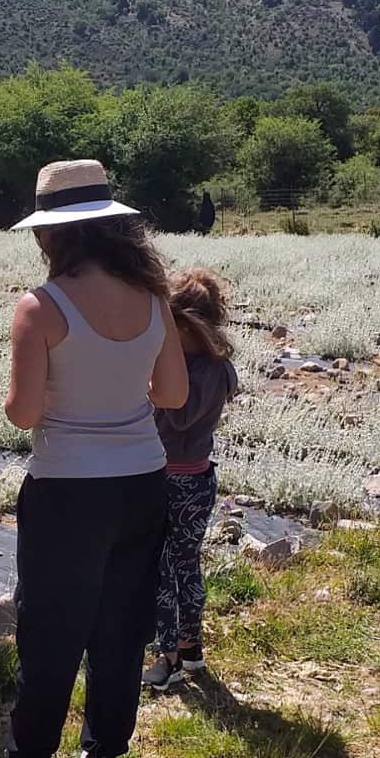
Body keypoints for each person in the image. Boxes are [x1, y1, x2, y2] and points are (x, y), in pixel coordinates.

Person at [0, 160, 188, 758]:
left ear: (50, 233)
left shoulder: (41, 307)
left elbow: (24, 413)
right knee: (122, 627)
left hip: (66, 489)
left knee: (51, 633)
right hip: (142, 480)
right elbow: (171, 393)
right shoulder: (153, 297)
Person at [141, 268, 239, 692]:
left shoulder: (199, 372)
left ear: (186, 326)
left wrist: (151, 383)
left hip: (174, 482)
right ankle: (191, 647)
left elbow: (177, 413)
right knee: (187, 566)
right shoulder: (216, 368)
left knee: (164, 570)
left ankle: (169, 657)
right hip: (196, 480)